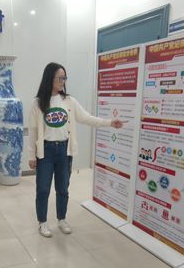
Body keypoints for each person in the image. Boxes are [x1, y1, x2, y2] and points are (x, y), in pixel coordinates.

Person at [28, 62, 124, 237]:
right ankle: (42, 222)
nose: (63, 81)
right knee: (42, 189)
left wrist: (109, 122)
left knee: (63, 188)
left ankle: (61, 219)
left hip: (64, 151)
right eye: (60, 78)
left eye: (64, 78)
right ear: (50, 78)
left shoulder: (69, 101)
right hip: (46, 152)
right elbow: (33, 130)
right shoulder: (38, 103)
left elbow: (86, 118)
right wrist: (31, 155)